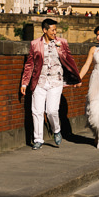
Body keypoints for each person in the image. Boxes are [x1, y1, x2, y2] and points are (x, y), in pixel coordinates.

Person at [20, 19, 81, 150]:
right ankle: (38, 139)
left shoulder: (62, 43)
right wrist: (25, 83)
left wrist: (77, 77)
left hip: (56, 80)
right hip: (39, 81)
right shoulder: (35, 44)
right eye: (52, 30)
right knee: (37, 111)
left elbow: (70, 60)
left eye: (55, 30)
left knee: (52, 110)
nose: (55, 32)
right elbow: (29, 64)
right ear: (45, 30)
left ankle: (56, 130)